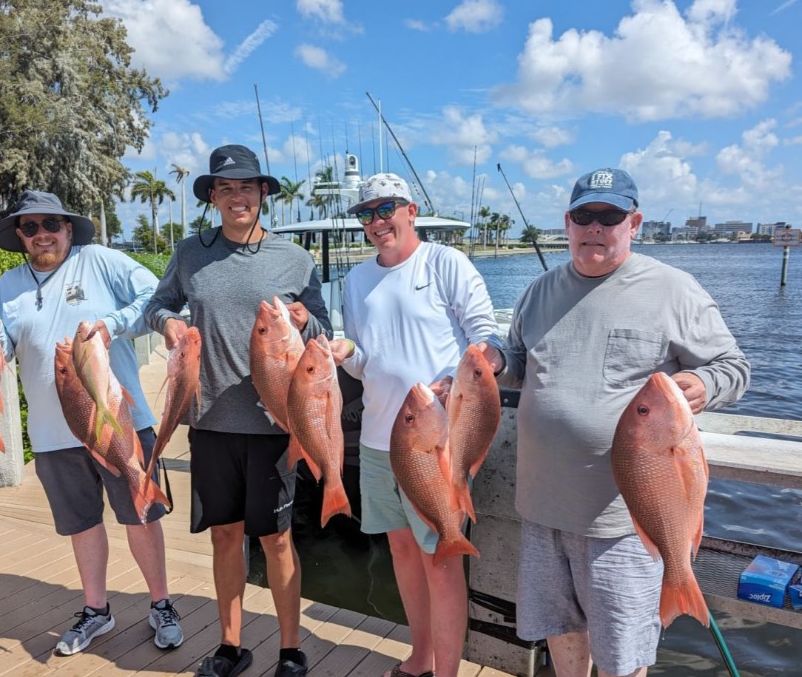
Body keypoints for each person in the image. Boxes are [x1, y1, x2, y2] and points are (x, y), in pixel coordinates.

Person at [482, 168, 750, 677]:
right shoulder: (539, 291)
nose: (596, 227)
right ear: (568, 222)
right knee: (561, 632)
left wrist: (705, 386)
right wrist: (496, 361)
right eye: (585, 216)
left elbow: (733, 367)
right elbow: (520, 360)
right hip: (541, 508)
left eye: (610, 216)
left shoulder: (673, 289)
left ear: (635, 222)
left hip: (624, 521)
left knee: (622, 655)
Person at [144, 144, 331, 677]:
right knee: (225, 534)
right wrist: (169, 325)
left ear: (263, 193)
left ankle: (290, 649)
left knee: (276, 538)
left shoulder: (294, 258)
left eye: (247, 187)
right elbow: (157, 306)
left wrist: (302, 318)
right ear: (213, 198)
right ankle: (230, 646)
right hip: (208, 424)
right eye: (225, 189)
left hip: (277, 424)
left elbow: (322, 327)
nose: (237, 197)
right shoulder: (189, 253)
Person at [0, 189, 184, 656]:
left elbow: (154, 297)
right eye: (30, 227)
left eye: (50, 224)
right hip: (53, 433)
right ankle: (97, 611)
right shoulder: (8, 286)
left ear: (68, 228)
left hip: (118, 420)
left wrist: (113, 323)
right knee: (81, 523)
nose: (42, 235)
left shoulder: (98, 260)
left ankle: (161, 603)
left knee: (140, 513)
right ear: (20, 235)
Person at [328, 173, 502, 677]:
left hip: (435, 443)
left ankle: (446, 672)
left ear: (411, 209)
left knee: (441, 559)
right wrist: (346, 353)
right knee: (402, 551)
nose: (377, 222)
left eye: (386, 209)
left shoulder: (446, 262)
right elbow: (366, 359)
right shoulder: (357, 280)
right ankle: (420, 658)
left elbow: (485, 340)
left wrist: (458, 381)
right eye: (366, 214)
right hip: (380, 441)